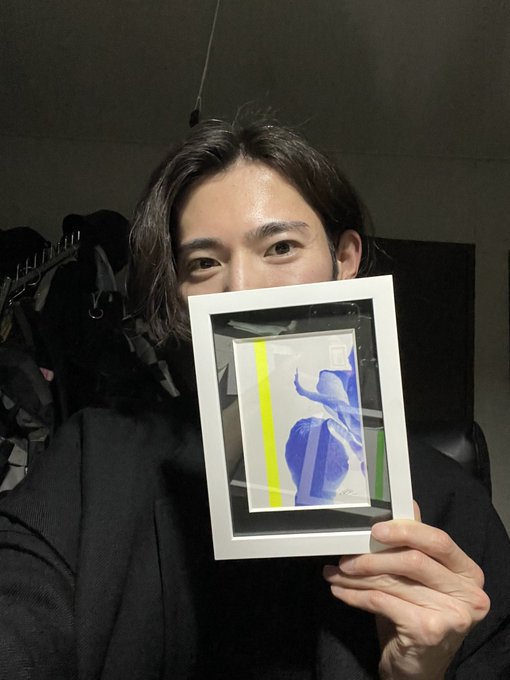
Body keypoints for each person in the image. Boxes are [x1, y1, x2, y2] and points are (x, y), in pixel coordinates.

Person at [0, 118, 509, 679]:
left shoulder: (451, 507)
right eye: (204, 263)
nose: (241, 288)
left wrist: (419, 673)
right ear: (180, 293)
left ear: (343, 260)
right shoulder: (94, 461)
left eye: (281, 246)